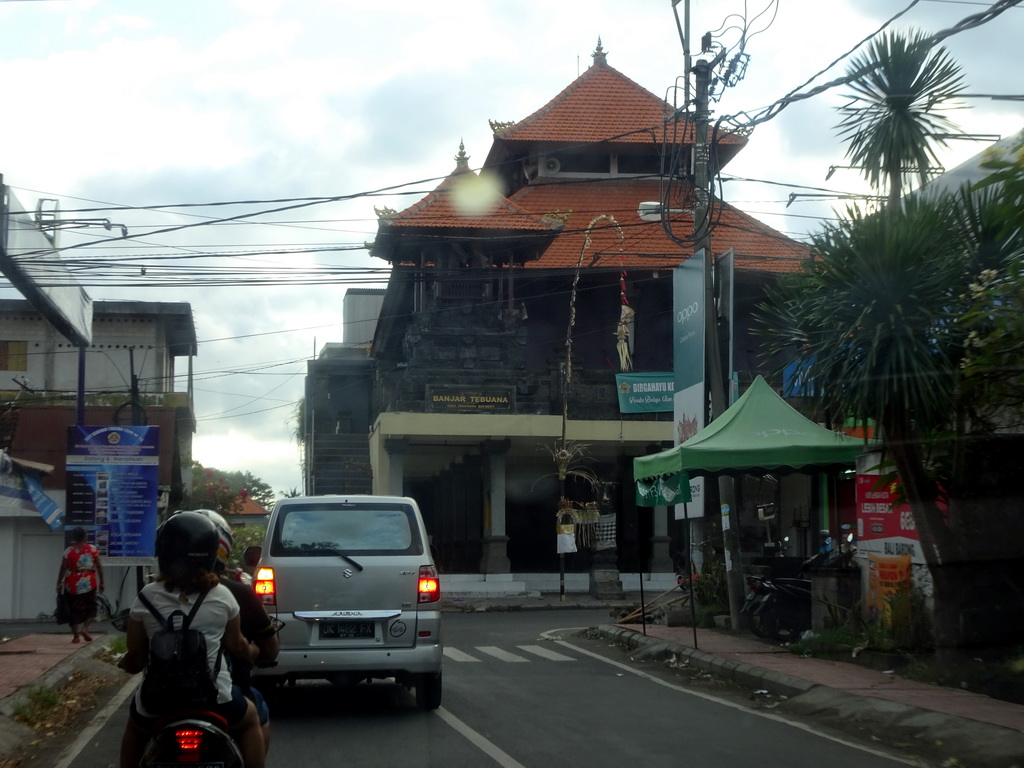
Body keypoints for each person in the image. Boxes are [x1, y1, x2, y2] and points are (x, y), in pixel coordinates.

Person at [117, 511, 266, 768]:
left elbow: (136, 657)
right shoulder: (222, 596)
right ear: (211, 553)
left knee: (135, 730)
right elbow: (236, 645)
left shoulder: (146, 597)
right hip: (216, 698)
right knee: (251, 719)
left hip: (158, 701)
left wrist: (124, 662)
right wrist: (251, 652)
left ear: (163, 553)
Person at [193, 508, 279, 752]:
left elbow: (136, 652)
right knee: (256, 715)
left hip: (161, 697)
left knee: (136, 727)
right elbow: (264, 649)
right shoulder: (234, 593)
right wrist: (254, 654)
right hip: (225, 693)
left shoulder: (150, 594)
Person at [56, 527, 104, 643]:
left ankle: (76, 636)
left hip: (72, 583)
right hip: (88, 582)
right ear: (84, 536)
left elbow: (63, 567)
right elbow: (99, 565)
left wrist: (59, 582)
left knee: (72, 609)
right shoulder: (92, 549)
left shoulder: (68, 551)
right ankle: (85, 628)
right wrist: (102, 581)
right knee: (92, 606)